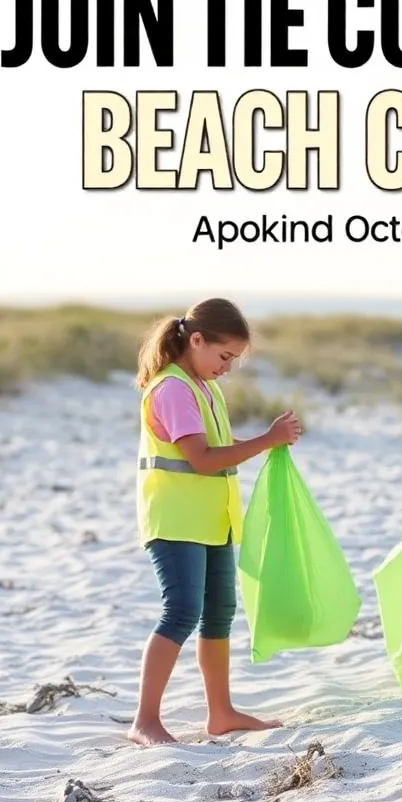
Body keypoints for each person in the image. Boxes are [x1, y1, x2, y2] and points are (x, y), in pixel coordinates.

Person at [129, 297, 301, 746]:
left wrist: (267, 442)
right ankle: (145, 721)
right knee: (182, 610)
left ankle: (220, 713)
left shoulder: (205, 388)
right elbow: (202, 460)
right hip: (175, 521)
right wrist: (266, 440)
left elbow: (219, 446)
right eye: (224, 356)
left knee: (219, 612)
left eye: (234, 361)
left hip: (212, 521)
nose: (227, 367)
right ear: (197, 340)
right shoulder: (171, 390)